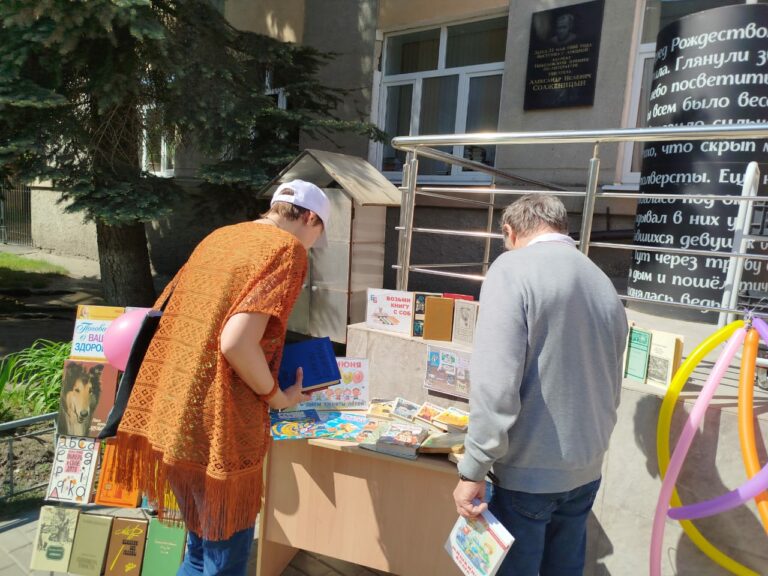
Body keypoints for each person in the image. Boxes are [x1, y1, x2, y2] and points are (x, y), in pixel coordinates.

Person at [112, 179, 330, 576]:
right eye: (320, 233)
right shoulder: (287, 249)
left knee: (198, 554)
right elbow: (236, 342)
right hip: (219, 425)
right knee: (222, 563)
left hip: (173, 412)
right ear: (311, 218)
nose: (314, 244)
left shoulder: (221, 236)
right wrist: (277, 397)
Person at [452, 194, 627, 576]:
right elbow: (613, 380)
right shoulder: (600, 280)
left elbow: (496, 384)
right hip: (586, 467)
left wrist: (473, 469)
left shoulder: (511, 269)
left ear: (510, 232)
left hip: (528, 471)